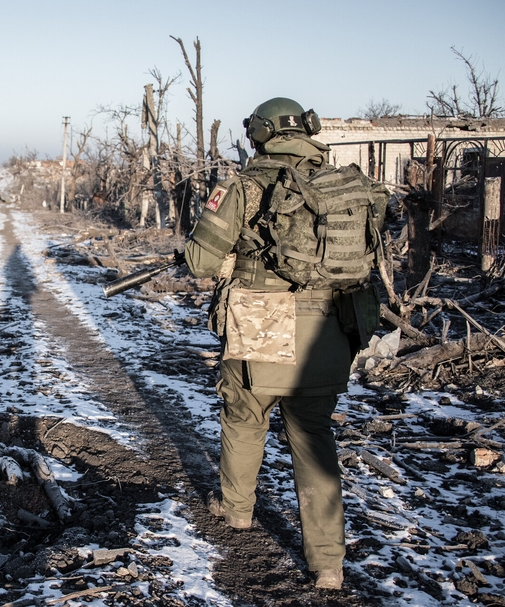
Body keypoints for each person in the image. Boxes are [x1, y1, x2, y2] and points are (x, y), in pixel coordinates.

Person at [184, 97, 389, 590]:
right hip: (328, 328)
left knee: (245, 413)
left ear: (259, 133)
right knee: (314, 437)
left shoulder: (243, 184)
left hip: (261, 320)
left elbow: (199, 262)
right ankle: (328, 565)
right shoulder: (342, 187)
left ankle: (236, 511)